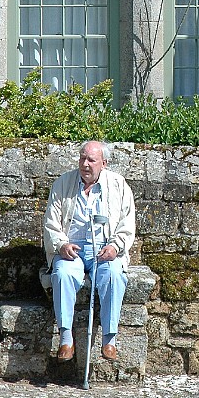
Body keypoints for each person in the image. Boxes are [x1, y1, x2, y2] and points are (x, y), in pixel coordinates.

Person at [42, 140, 136, 363]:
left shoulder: (119, 185)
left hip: (104, 249)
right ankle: (66, 338)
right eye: (82, 158)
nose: (85, 164)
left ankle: (109, 340)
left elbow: (127, 224)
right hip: (71, 249)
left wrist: (115, 247)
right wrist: (61, 245)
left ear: (104, 162)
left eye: (91, 160)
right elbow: (51, 223)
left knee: (114, 276)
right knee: (62, 275)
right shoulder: (63, 184)